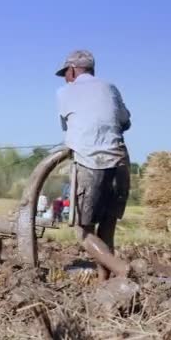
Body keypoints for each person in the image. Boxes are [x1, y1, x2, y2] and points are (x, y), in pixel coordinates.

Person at [55, 49, 131, 281]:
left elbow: (66, 125)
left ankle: (122, 270)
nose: (66, 78)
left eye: (66, 73)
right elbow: (126, 122)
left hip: (90, 163)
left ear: (72, 70)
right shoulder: (110, 88)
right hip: (119, 162)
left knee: (83, 231)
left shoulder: (64, 92)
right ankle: (104, 283)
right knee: (107, 226)